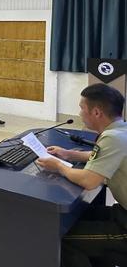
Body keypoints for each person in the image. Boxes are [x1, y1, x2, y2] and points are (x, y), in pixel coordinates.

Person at [37, 84, 127, 267]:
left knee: (60, 238)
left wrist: (59, 166)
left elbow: (89, 181)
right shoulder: (121, 131)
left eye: (81, 108)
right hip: (122, 212)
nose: (79, 113)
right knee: (79, 216)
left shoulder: (112, 138)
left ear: (96, 112)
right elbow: (104, 156)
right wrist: (68, 154)